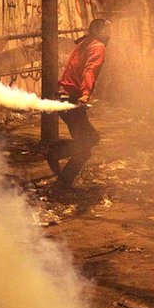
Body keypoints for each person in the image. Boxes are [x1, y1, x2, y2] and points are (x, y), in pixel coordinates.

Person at [44, 18, 110, 189]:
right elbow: (90, 70)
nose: (109, 35)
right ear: (99, 31)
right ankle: (55, 154)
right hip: (71, 100)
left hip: (63, 97)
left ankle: (62, 182)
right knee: (90, 140)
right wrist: (86, 94)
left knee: (85, 145)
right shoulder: (97, 47)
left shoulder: (85, 43)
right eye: (107, 30)